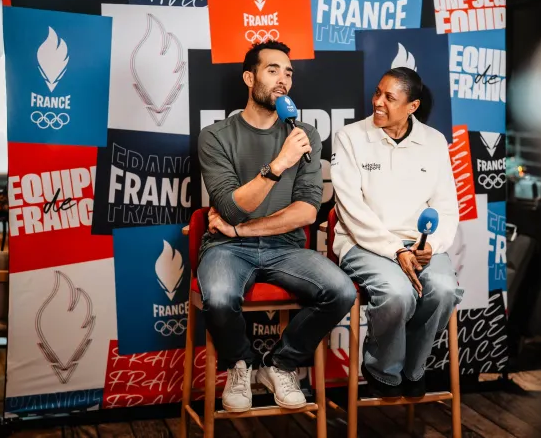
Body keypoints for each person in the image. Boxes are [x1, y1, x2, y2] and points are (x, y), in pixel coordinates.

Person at [197, 40, 356, 412]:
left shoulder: (305, 136)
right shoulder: (215, 136)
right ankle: (242, 364)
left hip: (285, 247)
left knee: (341, 290)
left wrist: (241, 229)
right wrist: (278, 164)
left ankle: (280, 365)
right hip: (225, 248)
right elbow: (231, 209)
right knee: (219, 298)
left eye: (288, 72)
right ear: (249, 78)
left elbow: (305, 212)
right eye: (273, 70)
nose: (283, 79)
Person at [330, 67, 463, 398]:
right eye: (377, 93)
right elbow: (350, 210)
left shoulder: (434, 142)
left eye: (389, 98)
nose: (378, 102)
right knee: (397, 293)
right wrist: (395, 250)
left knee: (444, 289)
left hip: (417, 244)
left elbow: (447, 207)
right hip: (365, 243)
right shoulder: (349, 138)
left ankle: (413, 368)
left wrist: (430, 245)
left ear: (412, 106)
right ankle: (381, 367)